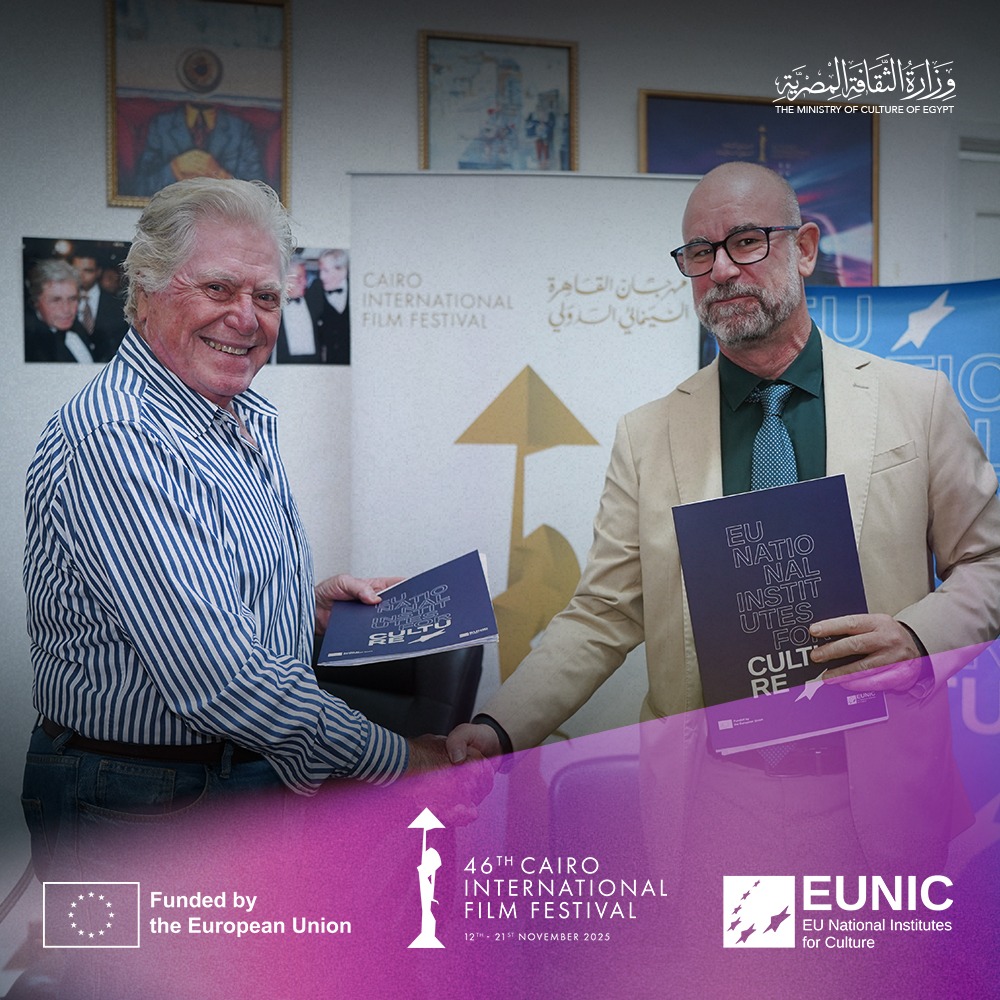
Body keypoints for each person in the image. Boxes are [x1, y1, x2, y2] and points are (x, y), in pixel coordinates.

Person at [447, 161, 1000, 869]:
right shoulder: (647, 435)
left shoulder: (916, 402)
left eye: (745, 241)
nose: (722, 270)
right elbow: (604, 613)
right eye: (700, 253)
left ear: (804, 248)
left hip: (879, 793)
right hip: (712, 802)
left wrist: (920, 640)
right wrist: (498, 725)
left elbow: (987, 561)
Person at [21, 178, 461, 886]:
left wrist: (307, 608)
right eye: (219, 289)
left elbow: (206, 603)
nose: (246, 318)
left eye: (266, 297)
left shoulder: (234, 414)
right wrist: (406, 762)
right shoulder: (120, 438)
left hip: (226, 784)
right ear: (145, 290)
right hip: (143, 804)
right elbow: (222, 683)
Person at [23, 259, 94, 363]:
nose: (66, 309)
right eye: (56, 300)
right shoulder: (27, 346)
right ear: (35, 301)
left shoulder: (78, 328)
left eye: (72, 299)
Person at [70, 249, 129, 362]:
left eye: (88, 271)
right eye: (75, 270)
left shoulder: (118, 305)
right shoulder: (61, 303)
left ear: (98, 272)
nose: (80, 276)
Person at [306, 247, 351, 364]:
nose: (321, 276)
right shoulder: (314, 289)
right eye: (320, 270)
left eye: (326, 271)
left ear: (342, 271)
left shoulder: (357, 288)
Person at [273, 257, 319, 363]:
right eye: (299, 278)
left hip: (314, 365)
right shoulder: (273, 308)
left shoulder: (314, 300)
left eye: (305, 277)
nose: (305, 282)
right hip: (285, 365)